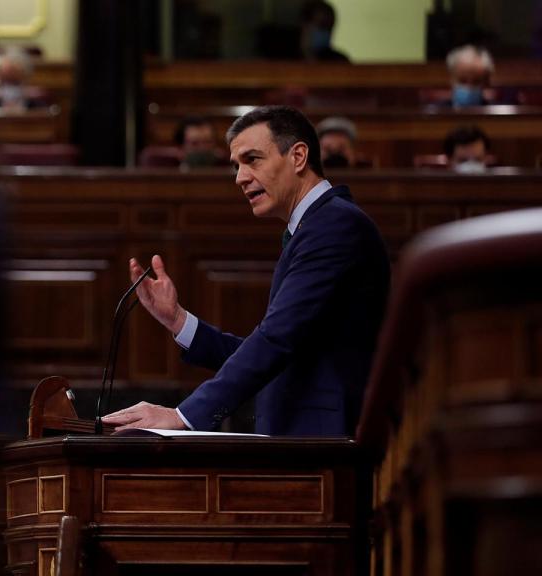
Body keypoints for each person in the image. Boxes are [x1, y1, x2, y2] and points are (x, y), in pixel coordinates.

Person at [103, 106, 390, 436]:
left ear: (298, 156)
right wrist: (178, 320)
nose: (240, 177)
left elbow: (275, 340)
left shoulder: (335, 226)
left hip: (324, 440)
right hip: (304, 439)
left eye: (252, 160)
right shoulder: (316, 227)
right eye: (236, 166)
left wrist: (185, 416)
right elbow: (279, 348)